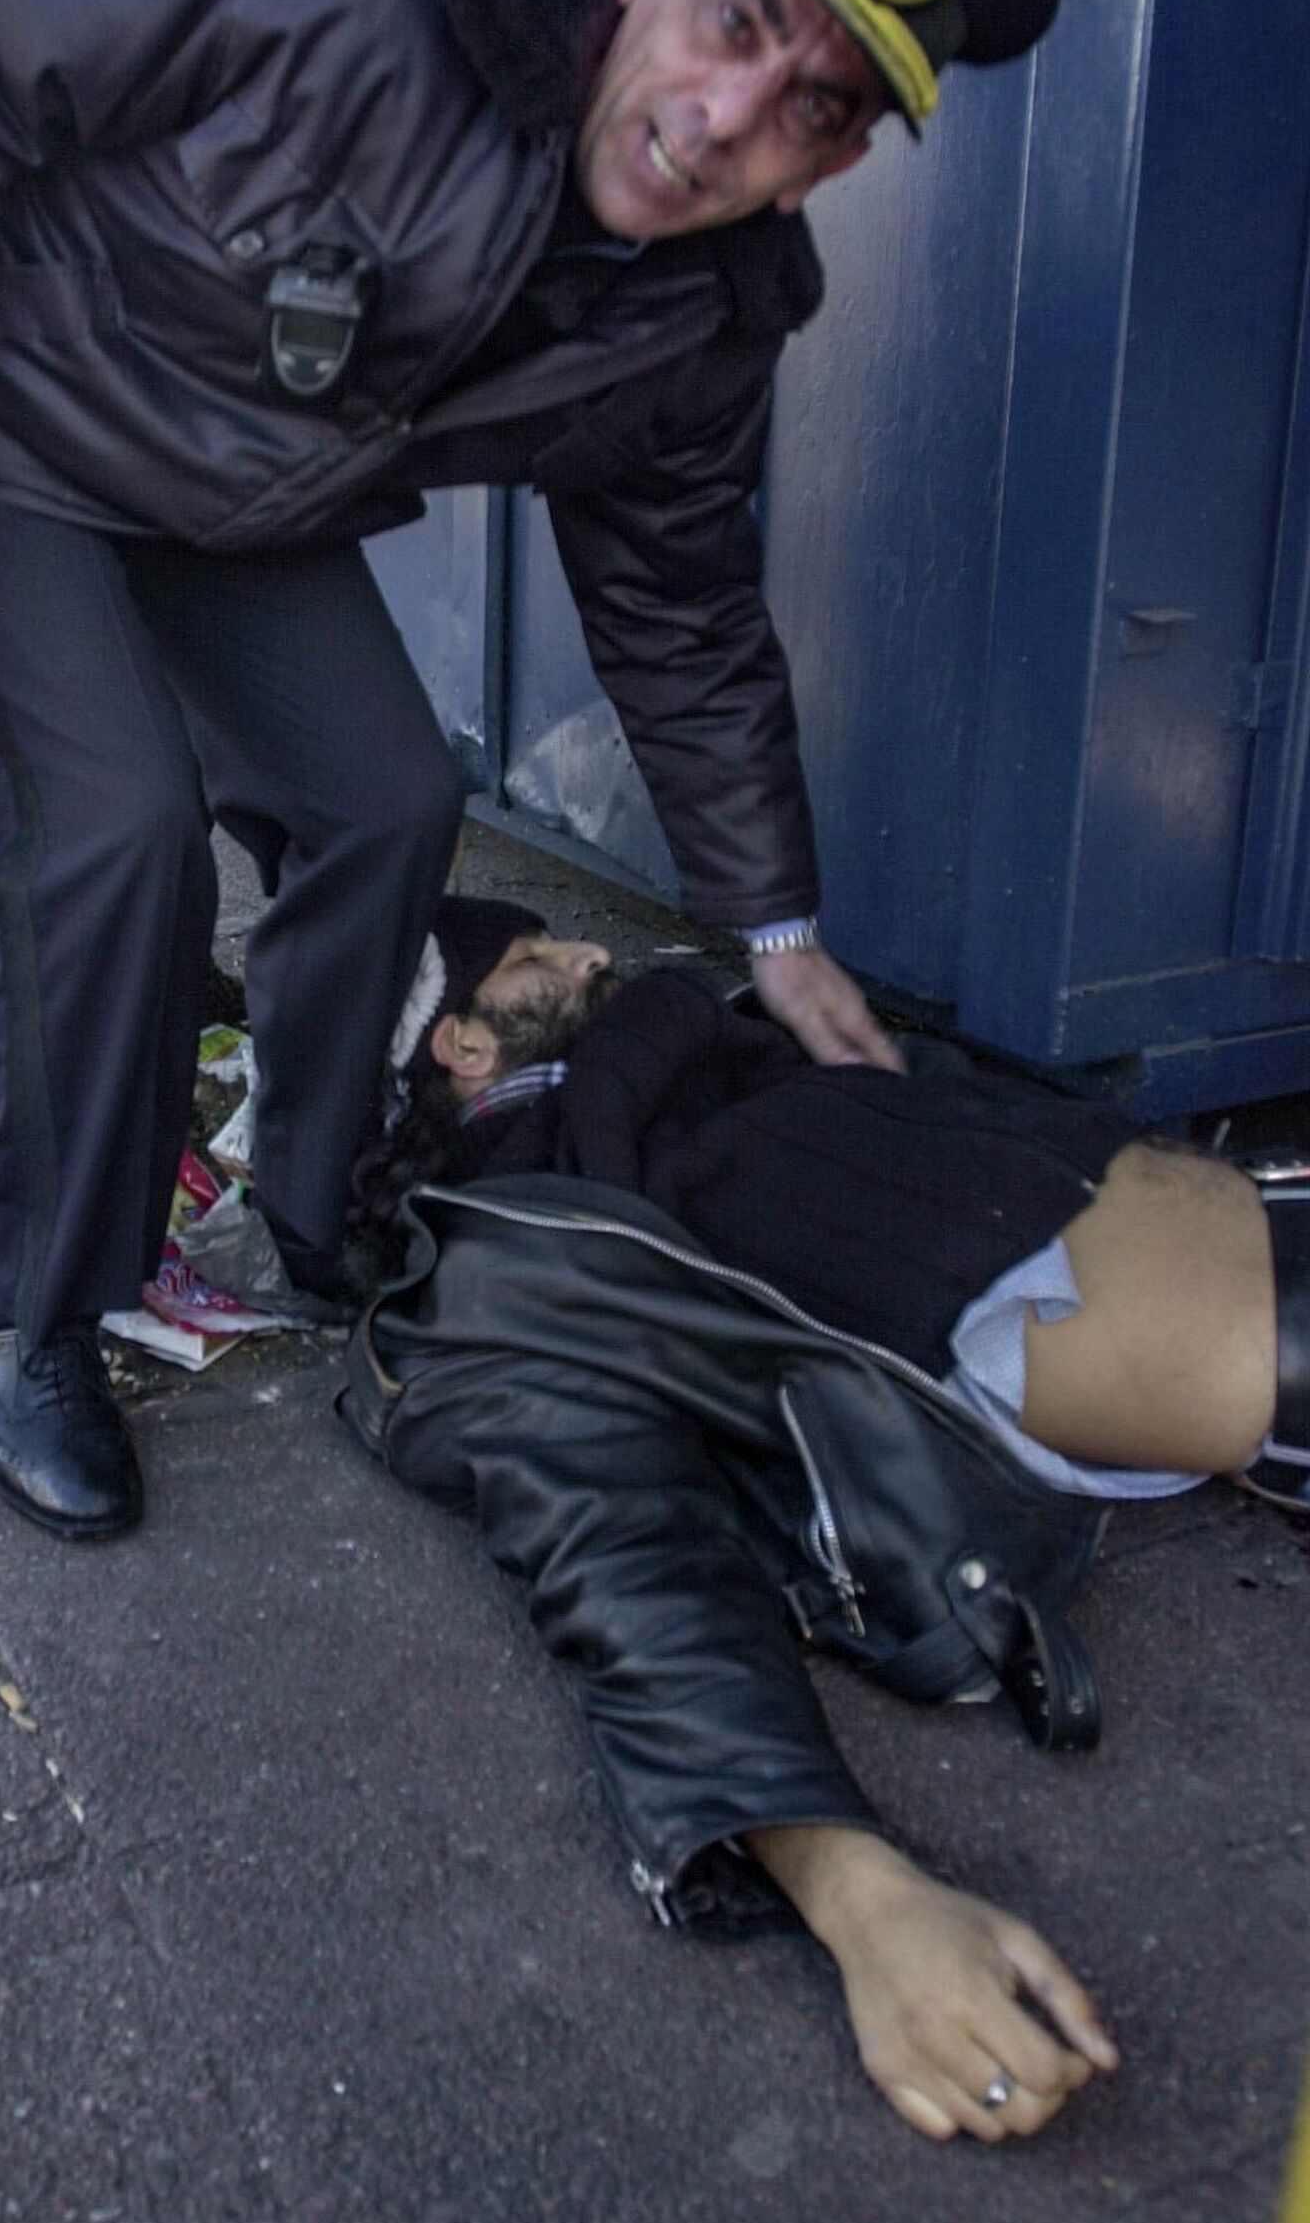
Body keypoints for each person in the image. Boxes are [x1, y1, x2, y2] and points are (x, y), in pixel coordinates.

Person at [0, 0, 1063, 1542]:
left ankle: (312, 1207)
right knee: (120, 837)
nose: (726, 120)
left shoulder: (712, 304)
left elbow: (681, 599)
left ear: (840, 157)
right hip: (8, 428)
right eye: (737, 22)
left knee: (388, 795)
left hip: (231, 508)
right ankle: (45, 1315)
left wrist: (777, 929)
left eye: (814, 107)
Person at [336, 896, 1309, 2142]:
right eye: (533, 956)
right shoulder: (512, 1243)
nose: (590, 951)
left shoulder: (692, 1051)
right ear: (461, 1041)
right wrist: (861, 1894)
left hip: (1134, 1196)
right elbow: (622, 1556)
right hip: (1065, 1298)